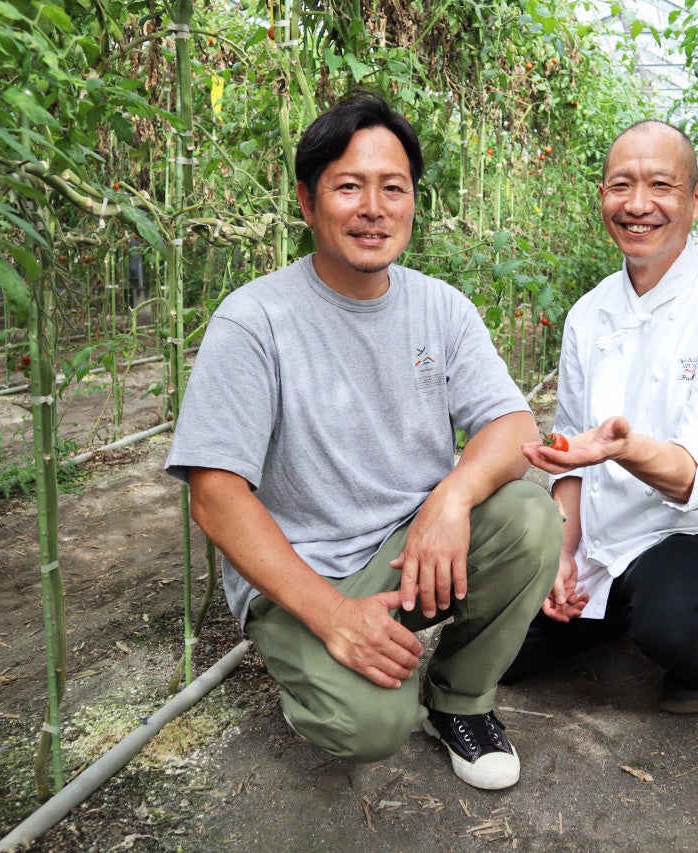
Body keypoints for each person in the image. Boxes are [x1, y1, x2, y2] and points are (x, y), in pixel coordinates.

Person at [164, 92, 559, 790]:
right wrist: (334, 614)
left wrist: (451, 498)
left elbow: (513, 427)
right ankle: (325, 679)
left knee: (529, 516)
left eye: (393, 187)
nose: (373, 207)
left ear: (413, 201)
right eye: (348, 186)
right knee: (371, 726)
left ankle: (459, 700)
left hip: (410, 547)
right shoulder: (255, 320)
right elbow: (215, 496)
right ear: (307, 202)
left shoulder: (441, 307)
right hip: (305, 572)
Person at [502, 120, 698, 713]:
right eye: (621, 186)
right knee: (503, 649)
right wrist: (562, 555)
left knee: (677, 623)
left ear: (695, 199)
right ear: (602, 195)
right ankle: (608, 605)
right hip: (609, 531)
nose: (638, 205)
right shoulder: (588, 314)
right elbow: (570, 460)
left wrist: (623, 450)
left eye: (661, 185)